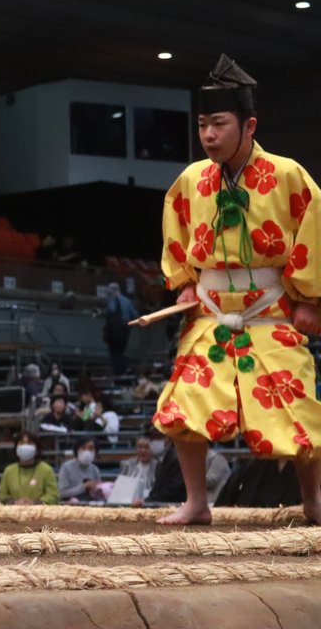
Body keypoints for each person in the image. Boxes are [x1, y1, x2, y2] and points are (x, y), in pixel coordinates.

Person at [153, 54, 321, 525]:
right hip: (209, 311)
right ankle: (196, 503)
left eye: (218, 124)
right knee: (185, 403)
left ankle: (313, 501)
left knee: (298, 407)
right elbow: (177, 233)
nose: (208, 135)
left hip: (270, 312)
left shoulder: (288, 175)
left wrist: (309, 299)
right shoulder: (189, 180)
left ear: (248, 125)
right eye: (203, 125)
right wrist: (184, 284)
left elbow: (313, 232)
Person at [0, 431, 58, 505]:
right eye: (21, 443)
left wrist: (34, 503)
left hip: (39, 513)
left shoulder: (46, 470)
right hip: (13, 513)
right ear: (16, 448)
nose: (25, 446)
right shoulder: (9, 470)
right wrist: (15, 502)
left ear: (37, 449)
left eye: (29, 443)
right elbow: (2, 495)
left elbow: (53, 495)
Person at [103, 282, 138, 375]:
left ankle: (119, 373)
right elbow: (134, 314)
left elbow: (111, 310)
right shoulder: (127, 301)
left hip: (115, 332)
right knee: (121, 351)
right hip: (125, 331)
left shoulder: (113, 299)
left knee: (114, 353)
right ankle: (124, 370)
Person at [57, 437, 105, 502]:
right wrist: (84, 487)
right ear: (77, 450)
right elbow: (62, 493)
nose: (87, 452)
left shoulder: (95, 469)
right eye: (83, 448)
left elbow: (100, 494)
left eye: (90, 449)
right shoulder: (66, 467)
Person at [119, 435, 159, 501]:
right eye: (140, 447)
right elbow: (121, 487)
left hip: (150, 501)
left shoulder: (158, 466)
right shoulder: (127, 465)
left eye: (147, 447)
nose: (143, 450)